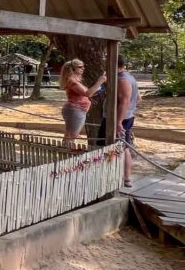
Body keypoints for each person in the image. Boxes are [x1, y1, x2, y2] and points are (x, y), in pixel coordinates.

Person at [97, 56, 139, 187]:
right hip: (125, 116)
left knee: (111, 146)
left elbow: (124, 101)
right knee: (122, 146)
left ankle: (122, 177)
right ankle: (121, 177)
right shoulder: (128, 77)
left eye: (106, 63)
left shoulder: (122, 79)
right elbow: (138, 98)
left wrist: (119, 121)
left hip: (118, 119)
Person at [59, 59, 106, 150]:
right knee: (71, 135)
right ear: (73, 69)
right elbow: (88, 93)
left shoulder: (75, 81)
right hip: (75, 110)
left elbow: (89, 93)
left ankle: (66, 153)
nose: (83, 69)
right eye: (80, 67)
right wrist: (100, 81)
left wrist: (99, 87)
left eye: (83, 66)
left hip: (77, 110)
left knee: (71, 135)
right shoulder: (73, 82)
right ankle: (67, 154)